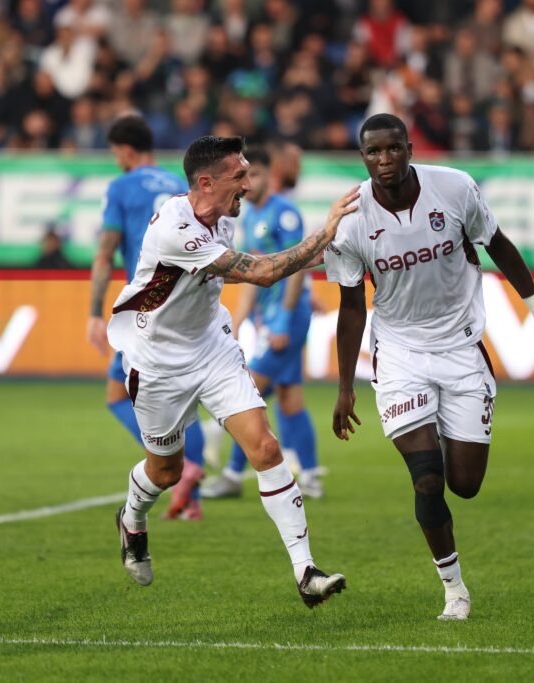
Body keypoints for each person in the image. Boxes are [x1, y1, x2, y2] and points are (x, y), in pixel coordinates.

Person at [325, 114, 534, 621]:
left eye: (394, 149)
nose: (385, 160)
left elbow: (498, 245)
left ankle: (438, 429)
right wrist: (345, 386)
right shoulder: (349, 220)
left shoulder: (455, 188)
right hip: (398, 356)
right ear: (363, 157)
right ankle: (454, 590)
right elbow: (351, 307)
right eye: (374, 152)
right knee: (427, 480)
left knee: (465, 484)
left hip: (461, 349)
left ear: (410, 148)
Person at [107, 134, 357, 606]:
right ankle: (132, 518)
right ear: (206, 182)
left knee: (265, 446)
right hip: (157, 361)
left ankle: (306, 571)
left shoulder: (222, 218)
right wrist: (326, 235)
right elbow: (260, 272)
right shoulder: (177, 228)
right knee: (165, 472)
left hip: (211, 350)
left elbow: (239, 275)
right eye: (239, 175)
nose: (248, 182)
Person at [86, 114, 206, 521]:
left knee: (116, 394)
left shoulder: (121, 186)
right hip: (188, 297)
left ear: (125, 150)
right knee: (188, 399)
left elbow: (105, 252)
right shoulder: (179, 182)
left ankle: (182, 464)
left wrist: (93, 312)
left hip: (144, 301)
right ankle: (193, 501)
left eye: (116, 152)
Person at [201, 146, 322, 499]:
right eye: (244, 176)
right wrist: (237, 321)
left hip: (289, 317)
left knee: (248, 393)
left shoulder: (284, 212)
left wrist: (284, 320)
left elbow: (297, 266)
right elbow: (252, 274)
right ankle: (311, 474)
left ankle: (229, 465)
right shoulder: (249, 216)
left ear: (272, 174)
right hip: (269, 319)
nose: (250, 182)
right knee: (290, 399)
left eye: (256, 174)